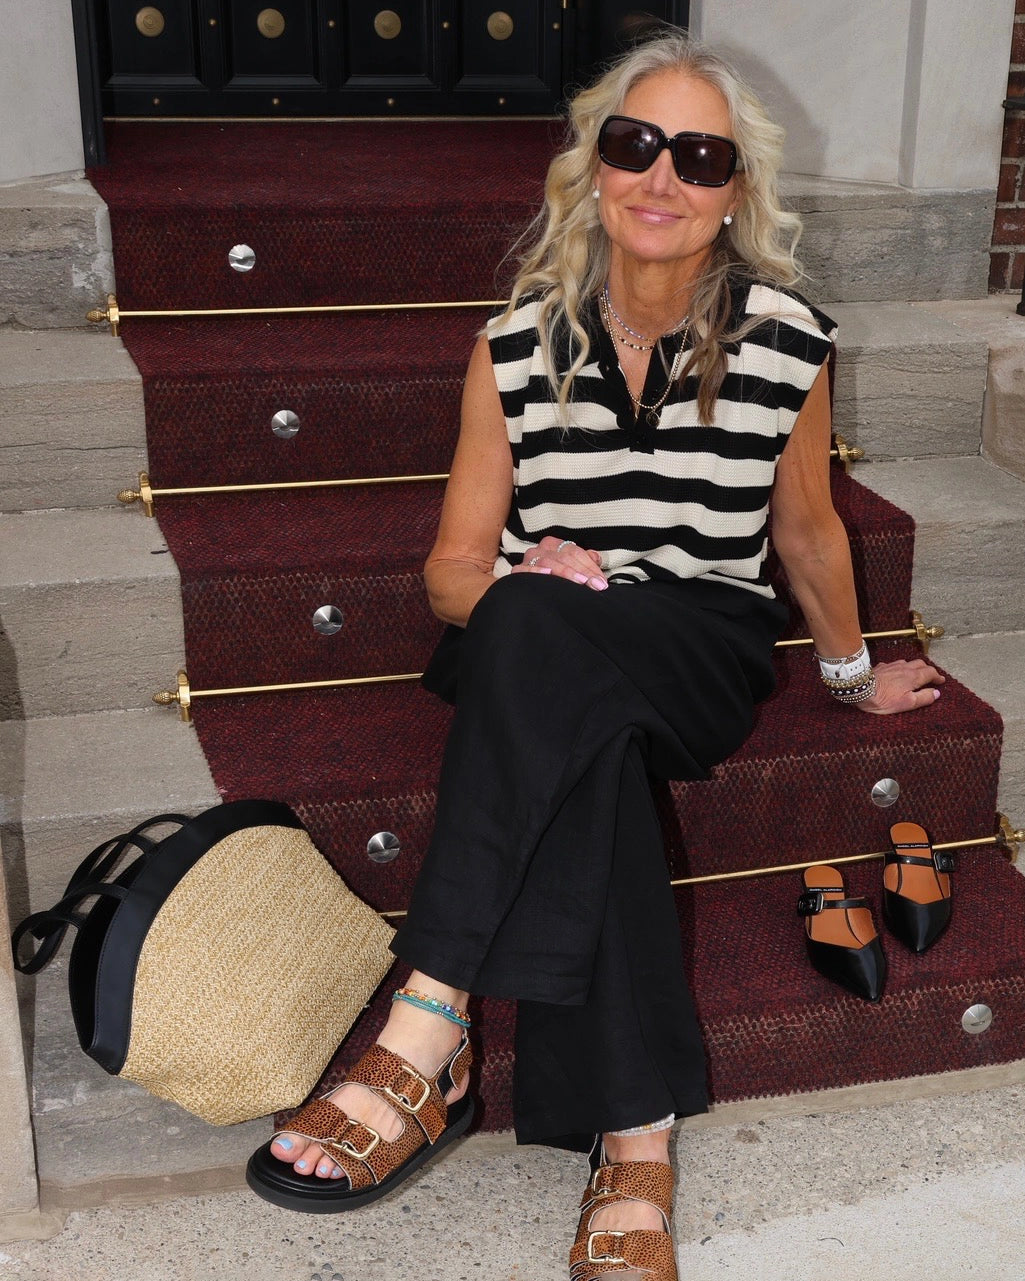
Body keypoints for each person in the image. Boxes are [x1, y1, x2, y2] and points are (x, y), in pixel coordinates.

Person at [246, 29, 943, 1279]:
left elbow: (802, 526)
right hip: (527, 641)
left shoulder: (783, 338)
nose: (661, 177)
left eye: (698, 155)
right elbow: (450, 574)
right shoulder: (511, 346)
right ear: (594, 167)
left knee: (559, 657)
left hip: (694, 642)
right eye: (634, 145)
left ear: (734, 191)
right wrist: (521, 577)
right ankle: (634, 1135)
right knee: (553, 668)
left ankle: (426, 1020)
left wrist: (849, 673)